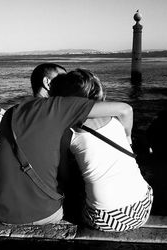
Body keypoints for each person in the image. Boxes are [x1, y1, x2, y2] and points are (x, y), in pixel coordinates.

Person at [0, 67, 134, 226]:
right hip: (45, 214)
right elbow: (124, 109)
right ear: (47, 82)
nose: (70, 82)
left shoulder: (11, 112)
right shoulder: (58, 106)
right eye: (64, 78)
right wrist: (127, 138)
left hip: (0, 212)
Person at [49, 69, 153, 232]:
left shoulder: (68, 132)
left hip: (106, 218)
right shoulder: (116, 118)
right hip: (143, 208)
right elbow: (127, 109)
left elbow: (64, 176)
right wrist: (127, 137)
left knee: (74, 193)